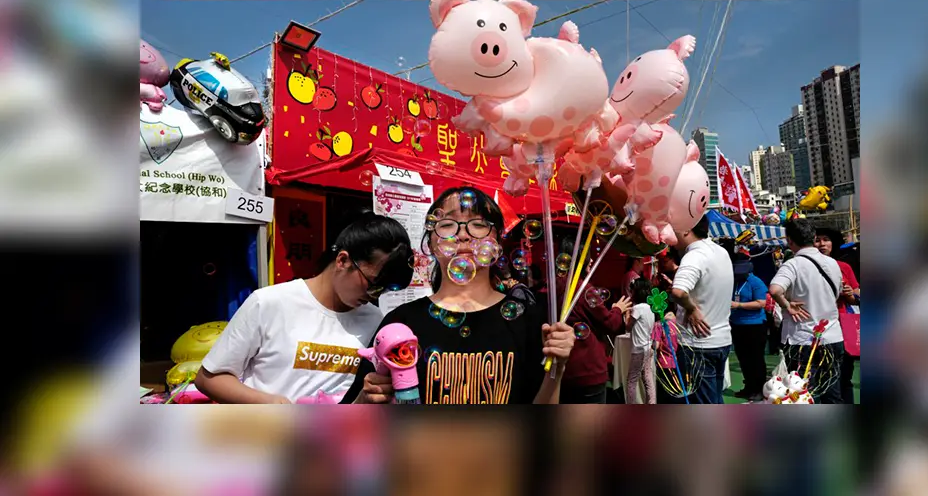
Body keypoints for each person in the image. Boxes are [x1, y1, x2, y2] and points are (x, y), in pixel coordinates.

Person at [343, 187, 576, 404]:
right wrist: (366, 398)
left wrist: (559, 367)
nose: (463, 234)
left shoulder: (529, 319)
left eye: (478, 224)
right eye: (448, 224)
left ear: (496, 241)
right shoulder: (401, 322)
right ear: (431, 244)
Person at [195, 213, 415, 404]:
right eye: (372, 284)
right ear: (342, 260)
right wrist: (268, 402)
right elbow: (209, 378)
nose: (374, 296)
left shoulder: (376, 321)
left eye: (384, 290)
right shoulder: (269, 302)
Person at [768, 219, 845, 403]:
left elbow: (774, 289)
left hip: (802, 339)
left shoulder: (793, 264)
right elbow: (838, 291)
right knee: (832, 391)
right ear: (813, 237)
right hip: (832, 335)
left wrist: (787, 305)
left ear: (790, 241)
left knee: (803, 393)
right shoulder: (833, 263)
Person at [669, 215, 734, 404]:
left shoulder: (694, 255)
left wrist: (691, 308)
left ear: (686, 230)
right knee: (714, 400)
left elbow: (679, 292)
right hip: (721, 340)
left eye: (673, 229)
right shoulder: (721, 252)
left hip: (697, 345)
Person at [816, 227, 861, 404]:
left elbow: (855, 297)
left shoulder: (844, 267)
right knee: (820, 377)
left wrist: (851, 293)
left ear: (833, 243)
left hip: (842, 326)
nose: (821, 244)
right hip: (815, 327)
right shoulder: (806, 265)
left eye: (825, 239)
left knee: (844, 376)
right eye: (817, 240)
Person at [561, 290, 631, 404]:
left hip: (564, 369)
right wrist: (618, 309)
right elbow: (610, 323)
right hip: (588, 369)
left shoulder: (553, 290)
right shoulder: (583, 290)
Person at [729, 254, 769, 401]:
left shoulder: (755, 282)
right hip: (737, 324)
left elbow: (761, 303)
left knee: (756, 359)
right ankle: (748, 387)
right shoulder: (734, 281)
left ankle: (759, 388)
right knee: (743, 358)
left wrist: (738, 305)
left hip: (755, 325)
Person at [625, 278, 656, 404]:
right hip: (648, 348)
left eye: (631, 290)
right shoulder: (650, 308)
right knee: (647, 378)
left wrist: (626, 312)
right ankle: (652, 403)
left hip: (638, 350)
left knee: (631, 380)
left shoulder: (637, 308)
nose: (630, 293)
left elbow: (628, 327)